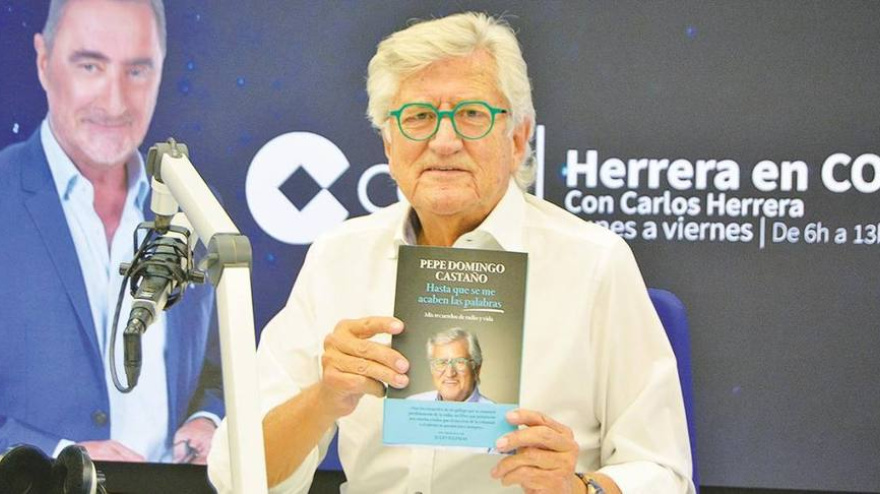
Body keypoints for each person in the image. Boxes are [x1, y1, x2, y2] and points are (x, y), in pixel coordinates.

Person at [209, 11, 694, 494]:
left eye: (471, 115)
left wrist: (579, 488)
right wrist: (324, 398)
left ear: (518, 138)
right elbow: (235, 477)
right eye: (419, 117)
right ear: (389, 143)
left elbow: (666, 475)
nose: (444, 142)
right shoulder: (339, 257)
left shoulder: (594, 263)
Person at [0, 0, 223, 464]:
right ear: (43, 61)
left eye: (137, 71)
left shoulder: (195, 208)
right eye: (90, 66)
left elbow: (218, 370)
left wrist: (208, 420)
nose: (116, 102)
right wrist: (57, 458)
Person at [408, 328, 493, 403]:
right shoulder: (412, 405)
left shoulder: (493, 413)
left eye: (459, 362)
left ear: (477, 369)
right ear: (431, 369)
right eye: (441, 362)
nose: (450, 373)